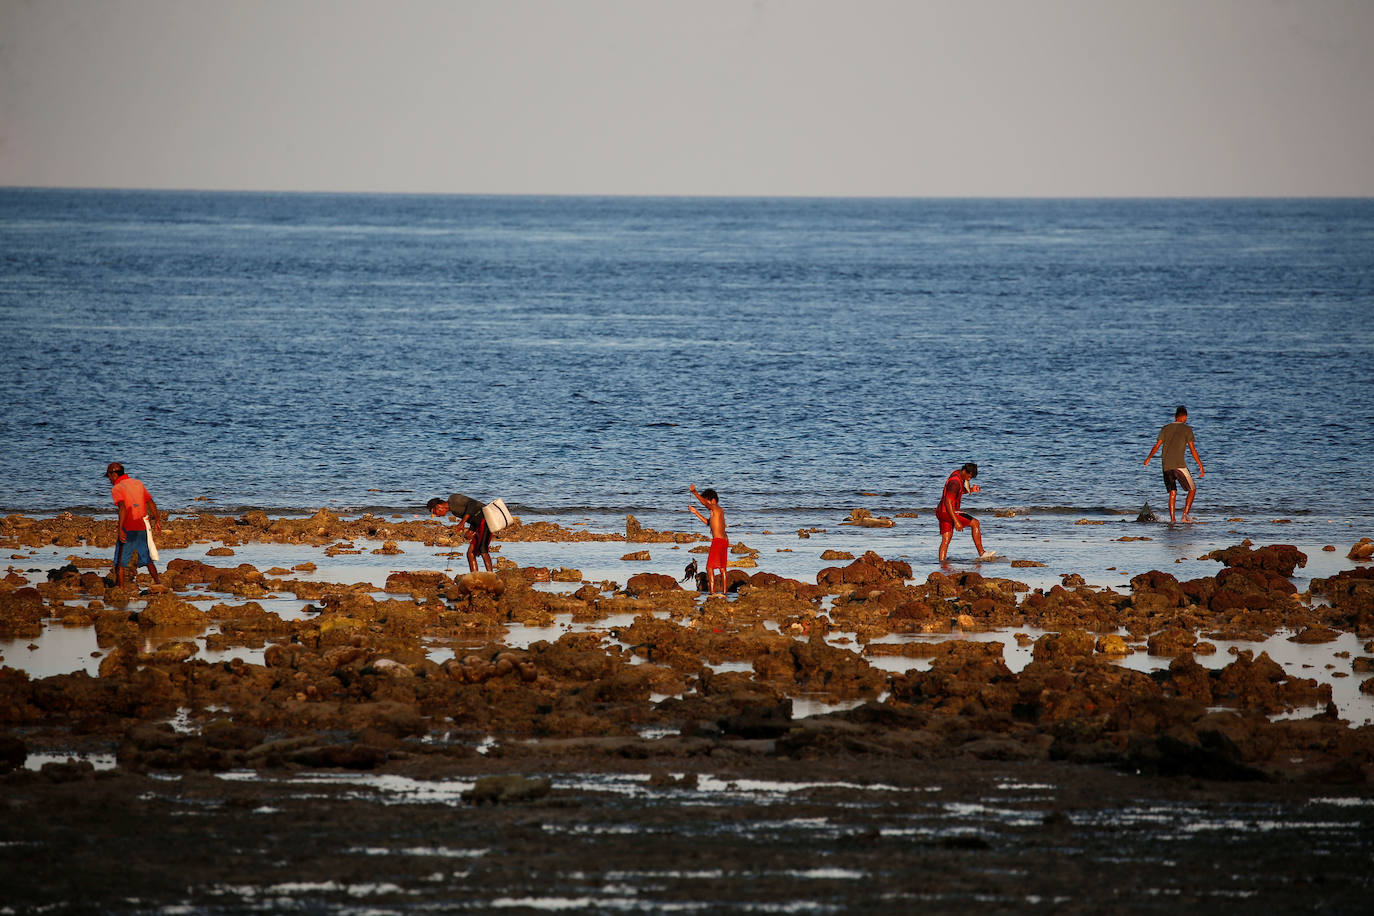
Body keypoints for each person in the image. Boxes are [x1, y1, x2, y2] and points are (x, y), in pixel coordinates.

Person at [1143, 405, 1205, 524]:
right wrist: (1200, 465)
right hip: (1179, 465)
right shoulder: (1187, 429)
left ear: (1175, 417)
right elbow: (1193, 449)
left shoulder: (1165, 428)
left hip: (1166, 466)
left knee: (1172, 492)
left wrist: (1148, 458)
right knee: (1192, 490)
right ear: (1185, 417)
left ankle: (1172, 520)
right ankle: (1185, 515)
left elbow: (1157, 445)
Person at [105, 461, 162, 588]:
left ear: (113, 475)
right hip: (141, 526)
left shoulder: (117, 488)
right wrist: (157, 520)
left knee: (120, 562)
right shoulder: (137, 483)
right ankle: (158, 583)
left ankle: (120, 590)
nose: (109, 479)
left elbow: (123, 508)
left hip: (129, 527)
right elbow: (150, 502)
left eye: (108, 476)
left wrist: (120, 529)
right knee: (147, 559)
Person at [936, 462, 994, 565]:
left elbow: (957, 492)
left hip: (941, 512)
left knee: (946, 539)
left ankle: (942, 565)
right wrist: (956, 521)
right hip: (948, 511)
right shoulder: (955, 482)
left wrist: (971, 490)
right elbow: (948, 502)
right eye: (969, 476)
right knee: (975, 523)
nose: (969, 479)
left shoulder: (956, 475)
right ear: (965, 471)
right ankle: (982, 553)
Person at [427, 492, 494, 573]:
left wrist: (462, 522)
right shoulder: (453, 511)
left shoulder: (453, 499)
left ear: (438, 507)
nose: (437, 516)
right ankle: (475, 576)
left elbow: (472, 504)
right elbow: (472, 516)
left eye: (434, 513)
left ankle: (492, 576)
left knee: (483, 550)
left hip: (486, 520)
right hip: (478, 525)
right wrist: (471, 530)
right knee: (470, 553)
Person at [688, 484, 728, 595]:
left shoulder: (715, 507)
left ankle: (712, 593)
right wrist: (696, 513)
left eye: (707, 500)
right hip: (724, 540)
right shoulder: (718, 511)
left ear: (713, 500)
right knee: (722, 568)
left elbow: (705, 504)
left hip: (718, 541)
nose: (706, 503)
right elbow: (708, 523)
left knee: (709, 567)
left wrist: (695, 492)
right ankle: (724, 593)